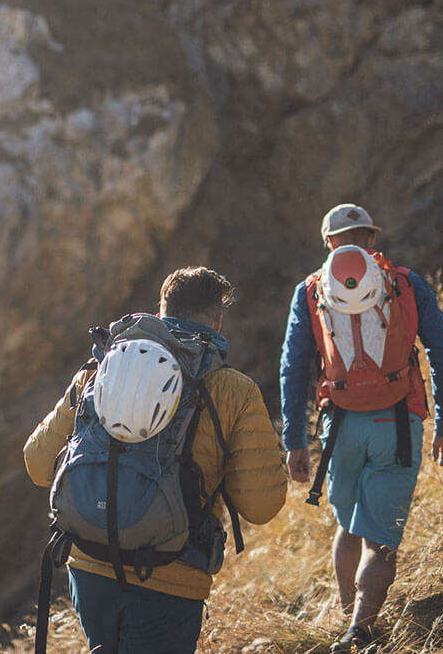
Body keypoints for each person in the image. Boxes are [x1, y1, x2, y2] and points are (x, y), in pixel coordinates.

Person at [24, 266, 287, 654]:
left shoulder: (101, 369)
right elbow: (261, 506)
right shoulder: (233, 389)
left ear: (161, 311)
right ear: (217, 320)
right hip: (171, 576)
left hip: (90, 565)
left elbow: (37, 464)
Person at [280, 204, 443, 653]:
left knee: (349, 525)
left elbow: (293, 367)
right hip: (397, 423)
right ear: (371, 238)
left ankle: (348, 619)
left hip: (339, 425)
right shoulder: (405, 283)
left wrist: (294, 440)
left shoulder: (310, 291)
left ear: (328, 243)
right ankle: (359, 632)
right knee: (380, 539)